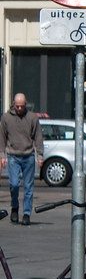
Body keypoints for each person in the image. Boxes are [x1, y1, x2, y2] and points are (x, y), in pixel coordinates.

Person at [0, 93, 43, 226]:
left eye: (22, 106)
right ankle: (14, 207)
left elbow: (38, 137)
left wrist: (40, 155)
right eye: (17, 106)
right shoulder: (6, 117)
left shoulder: (32, 117)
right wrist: (2, 155)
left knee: (29, 187)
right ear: (14, 104)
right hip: (13, 155)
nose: (19, 109)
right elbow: (2, 137)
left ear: (26, 104)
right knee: (13, 184)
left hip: (28, 156)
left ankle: (26, 214)